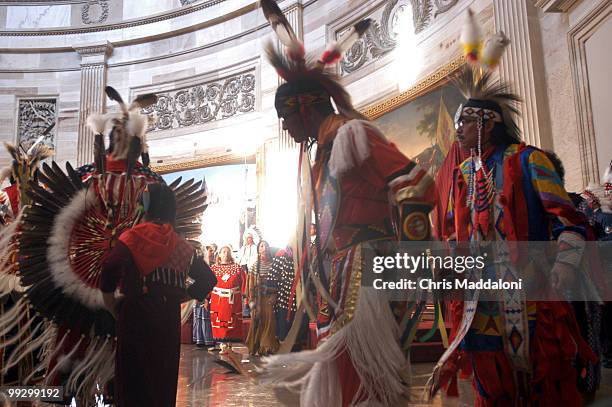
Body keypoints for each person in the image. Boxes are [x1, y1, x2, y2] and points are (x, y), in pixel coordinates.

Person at [259, 2, 435, 404]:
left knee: (367, 378)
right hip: (337, 278)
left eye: (285, 118)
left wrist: (408, 262)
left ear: (304, 106)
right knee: (343, 375)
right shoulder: (323, 151)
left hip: (367, 271)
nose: (285, 128)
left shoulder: (352, 135)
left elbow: (417, 184)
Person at [428, 64, 597, 405]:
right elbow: (453, 233)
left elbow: (567, 218)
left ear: (489, 124)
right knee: (490, 386)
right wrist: (448, 267)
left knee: (538, 381)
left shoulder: (528, 160)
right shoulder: (463, 174)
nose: (458, 131)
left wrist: (565, 264)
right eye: (458, 123)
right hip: (479, 302)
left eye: (466, 122)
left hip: (529, 291)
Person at [101, 183, 216, 407]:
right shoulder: (181, 245)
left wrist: (112, 304)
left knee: (132, 381)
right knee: (161, 378)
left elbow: (109, 269)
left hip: (133, 316)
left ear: (146, 207)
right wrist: (181, 295)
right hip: (166, 320)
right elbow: (208, 279)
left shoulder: (131, 239)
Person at [245, 240, 279, 356]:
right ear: (258, 249)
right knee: (258, 322)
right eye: (262, 246)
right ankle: (256, 346)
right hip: (258, 299)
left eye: (266, 245)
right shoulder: (255, 265)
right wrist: (251, 301)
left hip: (269, 298)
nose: (264, 248)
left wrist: (274, 295)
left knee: (270, 322)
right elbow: (250, 285)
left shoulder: (274, 264)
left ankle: (267, 347)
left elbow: (277, 282)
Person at [210, 245, 245, 354]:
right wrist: (206, 299)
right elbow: (208, 284)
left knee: (232, 321)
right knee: (220, 321)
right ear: (219, 255)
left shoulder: (237, 268)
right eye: (223, 251)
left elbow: (244, 283)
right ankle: (223, 345)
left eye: (228, 252)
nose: (226, 254)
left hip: (233, 300)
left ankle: (229, 345)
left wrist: (245, 297)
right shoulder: (213, 269)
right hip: (218, 301)